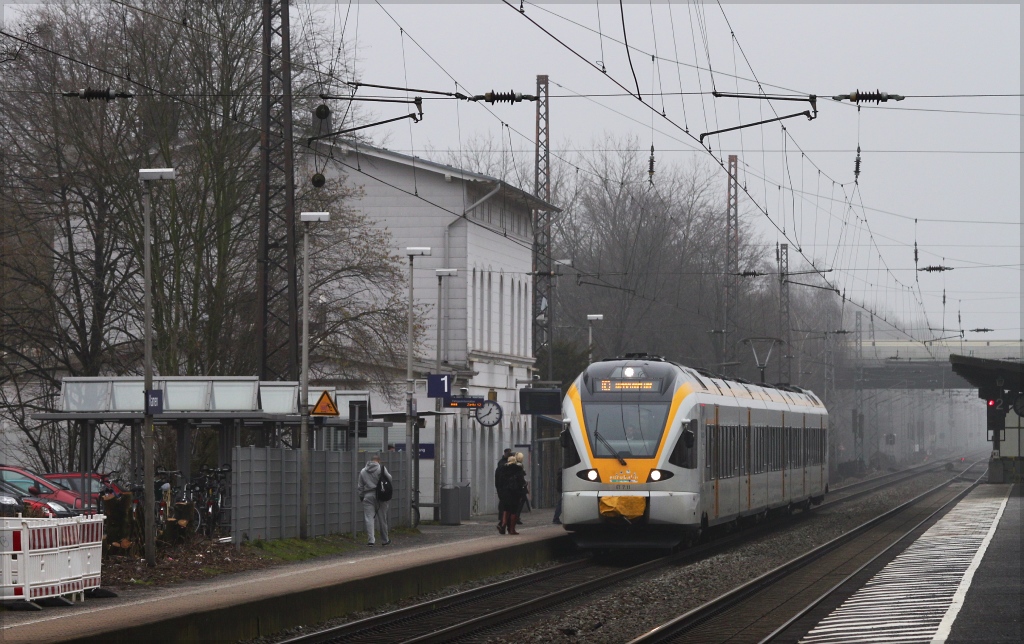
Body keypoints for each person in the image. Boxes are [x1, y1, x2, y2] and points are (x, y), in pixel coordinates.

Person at [357, 453, 392, 546]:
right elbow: (390, 478)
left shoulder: (363, 471)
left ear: (370, 460)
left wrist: (361, 496)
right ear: (378, 461)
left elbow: (360, 486)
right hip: (381, 495)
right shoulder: (381, 468)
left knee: (369, 518)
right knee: (382, 518)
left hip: (368, 495)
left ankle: (371, 541)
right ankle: (385, 540)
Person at [497, 456, 526, 535]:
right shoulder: (518, 469)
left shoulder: (502, 469)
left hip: (505, 493)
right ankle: (512, 529)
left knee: (506, 510)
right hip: (515, 493)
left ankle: (503, 524)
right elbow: (521, 482)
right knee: (514, 511)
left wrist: (500, 492)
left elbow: (499, 482)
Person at [495, 448, 513, 533]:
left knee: (505, 509)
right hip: (506, 491)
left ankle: (504, 526)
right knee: (507, 509)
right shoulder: (503, 465)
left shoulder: (501, 465)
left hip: (504, 490)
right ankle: (505, 526)